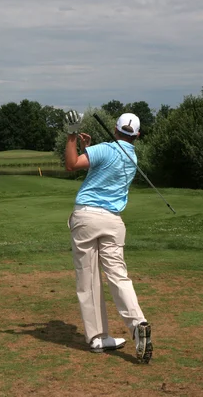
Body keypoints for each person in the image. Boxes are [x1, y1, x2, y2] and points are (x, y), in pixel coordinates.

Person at [63, 110, 152, 363]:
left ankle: (97, 337)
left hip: (87, 218)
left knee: (88, 278)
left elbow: (71, 165)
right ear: (137, 135)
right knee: (118, 276)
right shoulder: (131, 156)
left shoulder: (106, 149)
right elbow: (96, 167)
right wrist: (86, 148)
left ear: (115, 129)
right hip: (113, 222)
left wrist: (71, 134)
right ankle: (138, 324)